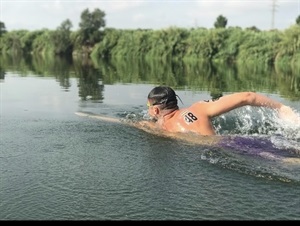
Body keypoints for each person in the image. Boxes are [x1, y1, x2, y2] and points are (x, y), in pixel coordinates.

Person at [145, 86, 300, 136]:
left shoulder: (163, 129)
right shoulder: (200, 108)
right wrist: (281, 108)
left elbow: (138, 125)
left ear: (156, 110)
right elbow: (247, 96)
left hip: (230, 152)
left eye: (148, 107)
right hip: (241, 144)